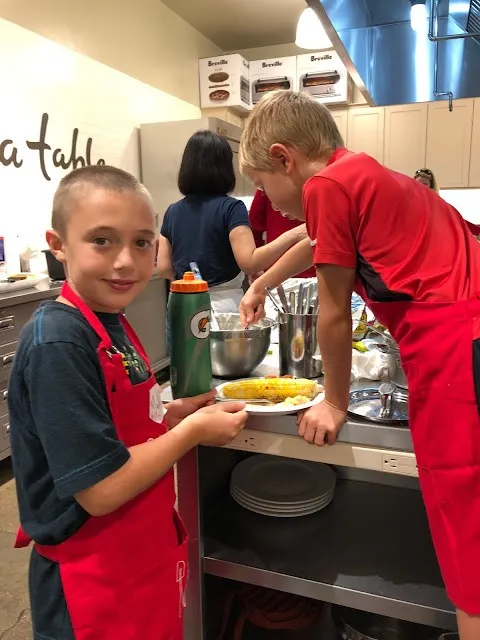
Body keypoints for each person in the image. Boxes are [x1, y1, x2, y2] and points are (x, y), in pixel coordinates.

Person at [238, 89, 480, 640]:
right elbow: (319, 244)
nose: (269, 203)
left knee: (467, 524)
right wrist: (260, 283)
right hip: (465, 335)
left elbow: (333, 314)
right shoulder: (357, 174)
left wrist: (335, 401)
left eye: (262, 185)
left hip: (457, 350)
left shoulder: (325, 184)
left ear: (284, 158)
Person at [8, 165, 248, 640]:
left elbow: (122, 421)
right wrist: (191, 433)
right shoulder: (59, 341)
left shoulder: (111, 320)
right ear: (57, 245)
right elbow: (99, 490)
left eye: (142, 242)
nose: (126, 261)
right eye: (102, 240)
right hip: (90, 579)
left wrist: (176, 415)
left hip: (139, 557)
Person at [156, 130, 306, 313]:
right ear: (225, 167)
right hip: (222, 305)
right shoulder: (231, 208)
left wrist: (189, 285)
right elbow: (249, 262)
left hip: (181, 304)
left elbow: (163, 267)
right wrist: (294, 234)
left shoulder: (172, 210)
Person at [249, 189, 316, 279]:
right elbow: (253, 231)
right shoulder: (267, 189)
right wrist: (257, 267)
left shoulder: (320, 188)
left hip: (320, 272)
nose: (276, 208)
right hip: (275, 274)